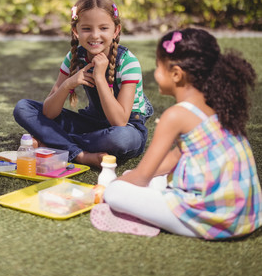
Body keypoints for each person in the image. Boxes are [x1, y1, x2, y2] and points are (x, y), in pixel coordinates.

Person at [93, 28, 262, 239]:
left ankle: (143, 217)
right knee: (138, 178)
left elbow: (143, 175)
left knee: (114, 192)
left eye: (158, 67)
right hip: (247, 216)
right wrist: (133, 177)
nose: (155, 73)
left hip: (217, 222)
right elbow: (176, 156)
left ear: (176, 74)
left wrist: (115, 185)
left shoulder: (176, 116)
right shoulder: (217, 106)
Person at [13, 0, 153, 168]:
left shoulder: (128, 62)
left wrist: (100, 78)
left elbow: (119, 122)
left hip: (127, 127)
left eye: (103, 28)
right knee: (23, 108)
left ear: (116, 30)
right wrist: (68, 84)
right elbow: (49, 113)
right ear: (75, 31)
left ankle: (52, 143)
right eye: (86, 29)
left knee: (122, 139)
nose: (95, 35)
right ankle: (79, 155)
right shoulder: (74, 57)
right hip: (91, 125)